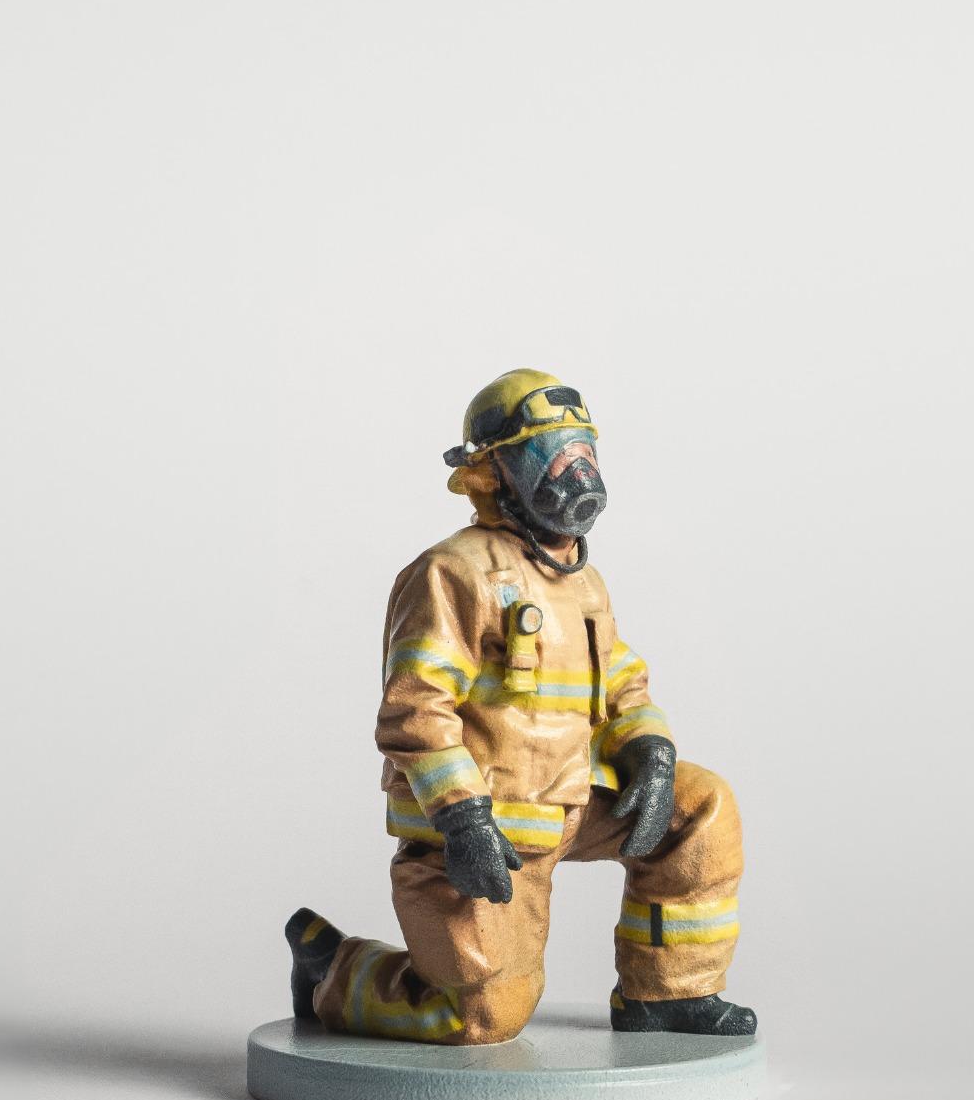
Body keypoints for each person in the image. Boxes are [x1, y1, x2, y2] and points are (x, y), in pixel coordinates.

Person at [286, 369, 756, 1043]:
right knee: (481, 1016)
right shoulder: (453, 572)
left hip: (572, 800)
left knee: (700, 810)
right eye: (552, 454)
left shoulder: (582, 581)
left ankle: (667, 993)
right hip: (490, 827)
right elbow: (415, 709)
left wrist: (648, 749)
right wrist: (463, 819)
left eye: (584, 450)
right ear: (492, 472)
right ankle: (331, 967)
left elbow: (620, 680)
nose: (578, 470)